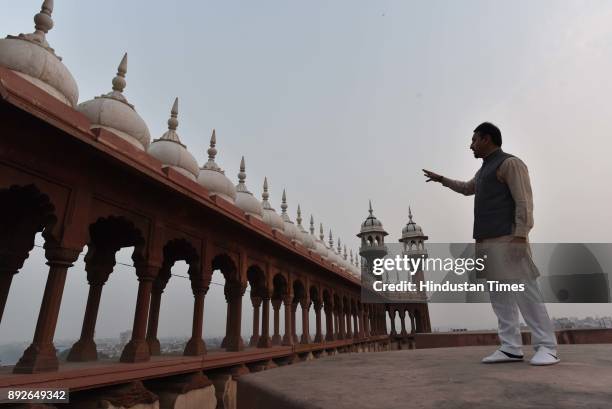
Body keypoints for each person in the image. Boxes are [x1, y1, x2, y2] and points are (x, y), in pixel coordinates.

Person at [422, 122, 559, 366]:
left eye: (474, 140)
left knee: (525, 292)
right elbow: (467, 189)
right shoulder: (484, 170)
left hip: (508, 238)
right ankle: (510, 347)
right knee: (499, 296)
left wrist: (520, 236)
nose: (471, 145)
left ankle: (546, 346)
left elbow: (524, 202)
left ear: (487, 139)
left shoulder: (510, 163)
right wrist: (442, 179)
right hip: (486, 240)